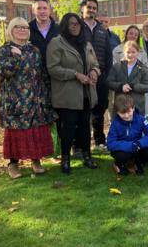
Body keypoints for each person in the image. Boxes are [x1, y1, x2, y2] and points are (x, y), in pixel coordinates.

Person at [0, 17, 56, 179]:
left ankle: (36, 161)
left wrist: (47, 96)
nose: (22, 30)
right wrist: (16, 57)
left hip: (35, 99)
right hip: (15, 99)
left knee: (35, 130)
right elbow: (2, 72)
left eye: (25, 27)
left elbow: (42, 74)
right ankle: (13, 164)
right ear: (11, 30)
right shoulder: (5, 50)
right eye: (18, 27)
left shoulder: (34, 50)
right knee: (16, 132)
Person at [47, 13, 101, 174]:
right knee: (68, 128)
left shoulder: (86, 44)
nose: (75, 26)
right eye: (71, 24)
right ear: (65, 25)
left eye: (77, 23)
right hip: (68, 94)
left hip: (86, 93)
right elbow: (53, 68)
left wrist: (94, 72)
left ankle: (87, 156)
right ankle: (65, 159)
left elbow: (96, 63)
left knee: (85, 127)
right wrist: (75, 74)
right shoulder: (56, 43)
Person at [28, 0, 61, 158]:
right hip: (35, 80)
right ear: (33, 10)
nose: (42, 11)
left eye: (44, 8)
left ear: (50, 10)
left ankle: (58, 150)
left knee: (58, 113)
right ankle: (40, 151)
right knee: (39, 115)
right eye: (39, 8)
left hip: (57, 78)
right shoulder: (27, 29)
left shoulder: (59, 29)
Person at [80, 0, 113, 151]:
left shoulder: (101, 29)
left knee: (100, 109)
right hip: (82, 77)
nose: (92, 10)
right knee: (83, 110)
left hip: (101, 76)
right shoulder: (77, 26)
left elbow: (108, 53)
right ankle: (81, 143)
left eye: (94, 8)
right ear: (82, 9)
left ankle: (99, 140)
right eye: (89, 7)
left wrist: (105, 74)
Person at [107, 94, 148, 176]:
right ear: (117, 112)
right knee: (122, 156)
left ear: (133, 108)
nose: (127, 116)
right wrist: (130, 146)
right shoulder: (115, 123)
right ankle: (119, 164)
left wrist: (139, 143)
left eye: (129, 112)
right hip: (123, 150)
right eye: (122, 113)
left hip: (137, 146)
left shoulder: (141, 119)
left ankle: (138, 163)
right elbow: (110, 144)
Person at [107, 41, 148, 115]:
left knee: (136, 126)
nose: (130, 55)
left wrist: (133, 86)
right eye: (128, 52)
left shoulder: (143, 69)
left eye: (133, 52)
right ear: (124, 53)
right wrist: (121, 86)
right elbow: (109, 82)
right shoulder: (117, 67)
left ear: (138, 53)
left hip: (137, 107)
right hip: (120, 106)